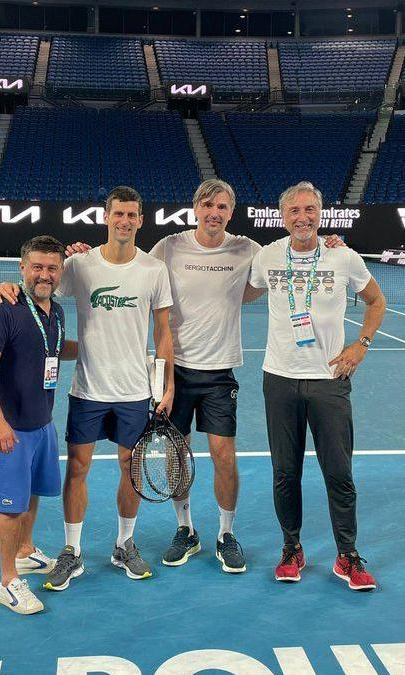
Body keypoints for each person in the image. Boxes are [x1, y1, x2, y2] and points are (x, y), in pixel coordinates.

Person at [30, 179, 346, 575]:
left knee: (222, 456)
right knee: (177, 458)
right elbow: (69, 282)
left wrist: (327, 240)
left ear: (231, 212)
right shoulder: (167, 248)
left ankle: (225, 534)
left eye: (223, 207)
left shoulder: (249, 250)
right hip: (172, 372)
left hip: (219, 373)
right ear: (196, 208)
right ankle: (186, 529)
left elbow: (289, 254)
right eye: (208, 205)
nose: (215, 212)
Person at [247, 181, 387, 592]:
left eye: (309, 209)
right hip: (280, 379)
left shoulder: (343, 257)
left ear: (320, 213)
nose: (303, 217)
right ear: (283, 216)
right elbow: (240, 294)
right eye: (294, 211)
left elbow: (377, 302)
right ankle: (292, 549)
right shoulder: (268, 256)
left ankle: (347, 555)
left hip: (330, 380)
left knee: (339, 473)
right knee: (285, 473)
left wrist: (360, 346)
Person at [42, 186, 175, 590]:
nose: (125, 221)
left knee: (129, 469)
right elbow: (42, 288)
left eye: (132, 214)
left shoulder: (153, 270)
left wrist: (165, 385)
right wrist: (8, 288)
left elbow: (164, 331)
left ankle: (123, 544)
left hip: (135, 392)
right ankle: (72, 551)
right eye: (118, 213)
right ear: (106, 217)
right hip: (88, 390)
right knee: (77, 469)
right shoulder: (80, 265)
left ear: (140, 220)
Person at [0, 235, 78, 615]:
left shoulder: (57, 312)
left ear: (60, 271)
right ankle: (7, 582)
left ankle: (25, 551)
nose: (44, 274)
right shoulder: (1, 309)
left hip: (41, 424)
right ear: (22, 268)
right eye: (37, 266)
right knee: (10, 508)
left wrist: (102, 348)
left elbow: (56, 348)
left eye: (52, 268)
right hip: (9, 430)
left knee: (33, 494)